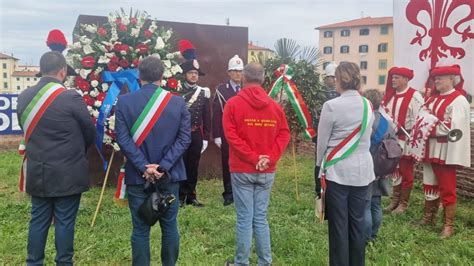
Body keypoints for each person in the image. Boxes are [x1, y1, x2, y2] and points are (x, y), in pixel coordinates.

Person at [17, 51, 96, 265]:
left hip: (38, 170)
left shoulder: (24, 96)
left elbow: (26, 130)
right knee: (65, 222)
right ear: (63, 71)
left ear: (41, 70)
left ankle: (33, 262)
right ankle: (63, 262)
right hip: (68, 173)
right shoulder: (71, 97)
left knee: (38, 220)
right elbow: (90, 132)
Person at [115, 56, 191, 265]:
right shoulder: (177, 103)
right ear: (161, 76)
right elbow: (184, 139)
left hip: (138, 176)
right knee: (170, 226)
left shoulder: (124, 102)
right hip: (169, 175)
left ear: (139, 76)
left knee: (140, 229)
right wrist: (163, 167)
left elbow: (122, 138)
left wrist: (143, 166)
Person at [223, 63, 290, 266]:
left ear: (244, 77)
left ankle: (241, 262)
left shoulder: (233, 104)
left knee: (245, 218)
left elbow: (231, 136)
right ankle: (264, 262)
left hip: (242, 168)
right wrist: (269, 157)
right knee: (260, 217)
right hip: (266, 170)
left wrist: (253, 158)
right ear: (262, 79)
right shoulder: (275, 106)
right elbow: (284, 133)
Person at [316, 62, 374, 266]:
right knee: (357, 224)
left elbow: (322, 143)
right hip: (363, 171)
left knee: (339, 225)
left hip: (338, 172)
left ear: (339, 80)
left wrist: (318, 169)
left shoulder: (331, 106)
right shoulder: (368, 105)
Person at [416, 65, 470, 238]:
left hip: (446, 150)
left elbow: (453, 128)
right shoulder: (432, 99)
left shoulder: (459, 100)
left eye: (440, 78)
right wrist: (431, 125)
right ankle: (429, 217)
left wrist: (432, 128)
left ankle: (449, 225)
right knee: (429, 182)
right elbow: (422, 117)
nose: (436, 81)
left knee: (447, 187)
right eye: (435, 78)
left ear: (451, 79)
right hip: (430, 148)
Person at [381, 67, 424, 214]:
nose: (393, 80)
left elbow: (420, 118)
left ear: (406, 79)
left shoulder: (415, 96)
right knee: (395, 170)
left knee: (406, 170)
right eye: (392, 77)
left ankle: (403, 203)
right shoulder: (390, 96)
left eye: (397, 77)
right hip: (393, 139)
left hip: (407, 138)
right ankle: (395, 200)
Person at [178, 58, 211, 207]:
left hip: (196, 134)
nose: (193, 76)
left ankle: (191, 195)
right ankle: (180, 196)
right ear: (185, 74)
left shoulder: (203, 93)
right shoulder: (178, 92)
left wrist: (205, 138)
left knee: (193, 165)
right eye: (191, 73)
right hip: (181, 134)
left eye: (196, 73)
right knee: (181, 165)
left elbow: (206, 117)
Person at [212, 55, 244, 206]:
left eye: (240, 71)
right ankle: (229, 193)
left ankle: (241, 192)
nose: (238, 74)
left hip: (245, 133)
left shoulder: (247, 89)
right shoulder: (221, 90)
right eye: (235, 71)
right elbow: (217, 114)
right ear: (229, 73)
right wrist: (217, 135)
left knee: (243, 162)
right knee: (228, 163)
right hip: (227, 133)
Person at [363, 89, 393, 242]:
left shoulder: (364, 120)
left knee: (365, 205)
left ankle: (366, 237)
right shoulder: (387, 122)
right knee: (376, 204)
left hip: (367, 167)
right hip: (382, 167)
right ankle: (374, 235)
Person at [314, 62, 340, 196]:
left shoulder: (342, 93)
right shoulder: (320, 93)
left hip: (336, 135)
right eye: (331, 77)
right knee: (319, 162)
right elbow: (315, 113)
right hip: (322, 132)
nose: (334, 80)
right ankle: (319, 189)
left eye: (336, 77)